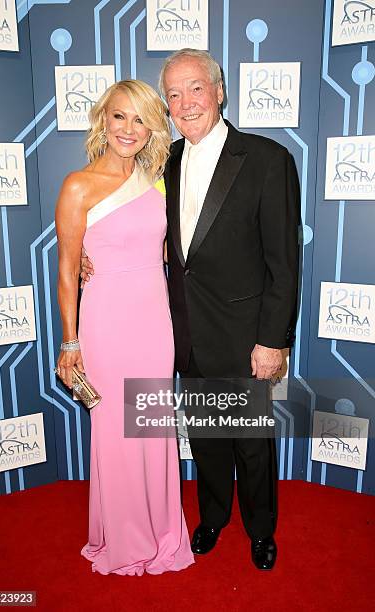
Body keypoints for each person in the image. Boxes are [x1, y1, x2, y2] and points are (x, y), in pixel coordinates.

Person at [82, 50, 300, 571]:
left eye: (196, 89)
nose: (185, 103)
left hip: (246, 337)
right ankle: (212, 518)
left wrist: (273, 341)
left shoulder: (268, 160)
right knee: (205, 438)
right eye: (173, 94)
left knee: (251, 444)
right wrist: (90, 255)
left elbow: (284, 263)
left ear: (219, 92)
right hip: (180, 334)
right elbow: (144, 236)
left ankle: (261, 529)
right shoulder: (163, 163)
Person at [55, 79, 194, 576]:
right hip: (106, 321)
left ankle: (161, 530)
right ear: (103, 120)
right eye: (120, 116)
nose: (129, 129)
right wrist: (71, 343)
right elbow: (68, 270)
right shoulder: (78, 185)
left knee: (152, 428)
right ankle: (123, 536)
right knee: (115, 429)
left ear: (151, 127)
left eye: (140, 119)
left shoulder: (156, 181)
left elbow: (164, 252)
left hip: (154, 321)